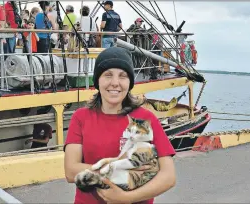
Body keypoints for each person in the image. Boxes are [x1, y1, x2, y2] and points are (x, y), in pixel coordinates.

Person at [64, 47, 176, 204]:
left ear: (130, 82)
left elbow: (168, 176)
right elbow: (70, 171)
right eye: (108, 75)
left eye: (123, 76)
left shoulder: (145, 118)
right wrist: (123, 169)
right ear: (97, 80)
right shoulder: (81, 117)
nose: (115, 83)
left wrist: (126, 198)